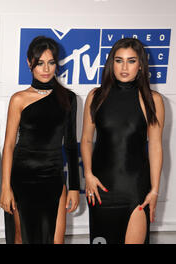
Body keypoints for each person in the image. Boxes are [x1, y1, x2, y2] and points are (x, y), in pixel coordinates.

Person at [81, 38, 164, 244]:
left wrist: (154, 190)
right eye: (119, 61)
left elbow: (155, 146)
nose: (124, 67)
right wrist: (88, 174)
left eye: (131, 61)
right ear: (111, 64)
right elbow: (85, 139)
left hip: (135, 189)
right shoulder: (96, 96)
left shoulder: (152, 100)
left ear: (141, 65)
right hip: (101, 189)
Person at [0, 36, 80, 244]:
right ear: (29, 63)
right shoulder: (19, 99)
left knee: (56, 240)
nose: (46, 69)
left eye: (51, 62)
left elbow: (71, 145)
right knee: (22, 238)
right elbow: (8, 146)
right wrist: (6, 187)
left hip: (53, 178)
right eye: (40, 63)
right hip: (22, 178)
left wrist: (73, 187)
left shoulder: (68, 98)